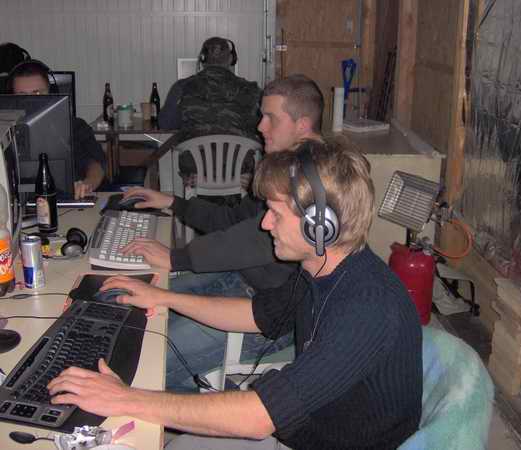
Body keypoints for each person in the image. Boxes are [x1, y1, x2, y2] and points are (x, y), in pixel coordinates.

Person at [48, 139, 423, 450]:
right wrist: (163, 297)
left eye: (275, 213)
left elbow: (259, 418)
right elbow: (256, 314)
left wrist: (124, 398)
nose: (265, 223)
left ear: (319, 226)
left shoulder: (368, 307)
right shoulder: (320, 271)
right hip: (305, 427)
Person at [120, 75, 324, 391]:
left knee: (143, 361)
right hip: (239, 279)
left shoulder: (319, 180)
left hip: (264, 316)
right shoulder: (283, 168)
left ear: (302, 125)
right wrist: (173, 202)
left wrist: (176, 258)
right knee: (133, 319)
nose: (260, 126)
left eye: (270, 117)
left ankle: (202, 405)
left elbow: (253, 239)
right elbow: (232, 219)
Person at [159, 36, 262, 191]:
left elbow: (165, 123)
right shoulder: (252, 90)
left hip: (196, 174)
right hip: (239, 175)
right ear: (231, 59)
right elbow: (261, 127)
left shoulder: (182, 87)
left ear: (202, 59)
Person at [9, 60, 106, 199]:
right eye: (22, 95)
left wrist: (87, 184)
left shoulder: (75, 126)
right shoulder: (4, 131)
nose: (30, 101)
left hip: (66, 200)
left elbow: (96, 164)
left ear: (51, 93)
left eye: (37, 93)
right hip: (13, 203)